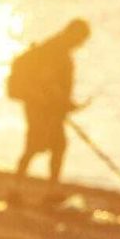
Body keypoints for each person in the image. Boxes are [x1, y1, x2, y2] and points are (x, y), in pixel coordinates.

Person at [8, 18, 91, 192]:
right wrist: (61, 101)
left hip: (47, 108)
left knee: (55, 146)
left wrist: (65, 103)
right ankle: (18, 188)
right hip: (41, 108)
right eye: (81, 39)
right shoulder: (55, 50)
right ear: (72, 34)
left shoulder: (57, 48)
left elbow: (54, 84)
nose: (81, 43)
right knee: (35, 146)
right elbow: (48, 81)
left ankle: (42, 189)